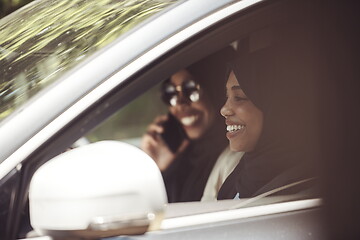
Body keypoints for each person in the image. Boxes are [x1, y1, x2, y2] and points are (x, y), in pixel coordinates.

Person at [217, 33, 320, 200]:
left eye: (240, 97)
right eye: (226, 97)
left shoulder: (301, 191)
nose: (224, 109)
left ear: (279, 109)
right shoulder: (245, 173)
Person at [141, 47, 235, 203]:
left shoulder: (234, 161)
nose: (179, 104)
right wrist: (160, 169)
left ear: (218, 90)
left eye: (191, 89)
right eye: (171, 92)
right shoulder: (185, 157)